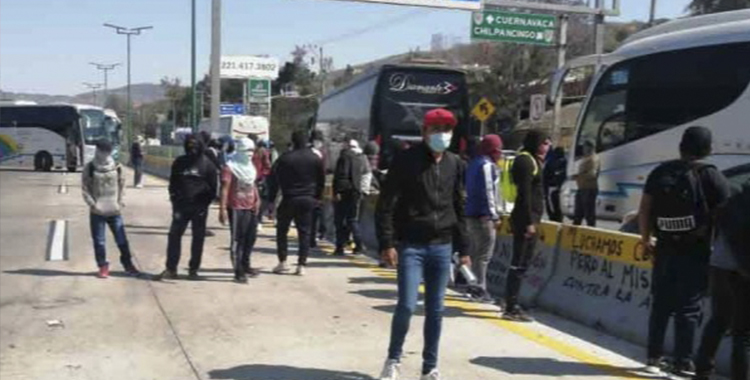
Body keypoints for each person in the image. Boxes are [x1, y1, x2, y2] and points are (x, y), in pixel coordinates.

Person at [376, 108, 470, 380]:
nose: (443, 134)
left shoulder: (455, 163)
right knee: (406, 305)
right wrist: (387, 242)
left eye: (447, 129)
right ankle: (393, 359)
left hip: (442, 246)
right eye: (437, 129)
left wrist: (464, 249)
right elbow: (386, 204)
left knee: (436, 309)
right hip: (411, 246)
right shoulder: (406, 161)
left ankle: (430, 367)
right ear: (424, 132)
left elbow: (459, 206)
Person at [638, 126, 731, 377]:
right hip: (695, 250)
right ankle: (682, 360)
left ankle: (653, 357)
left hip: (664, 247)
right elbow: (729, 213)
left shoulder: (660, 171)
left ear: (681, 146)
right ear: (708, 149)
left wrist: (645, 239)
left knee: (660, 304)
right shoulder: (711, 176)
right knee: (688, 308)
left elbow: (644, 208)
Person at [694, 178, 750, 380]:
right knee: (741, 333)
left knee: (718, 319)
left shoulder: (733, 197)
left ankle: (702, 369)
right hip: (743, 272)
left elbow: (713, 220)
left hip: (720, 265)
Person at [155, 134, 218, 281]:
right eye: (190, 145)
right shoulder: (179, 162)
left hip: (199, 208)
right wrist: (174, 200)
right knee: (174, 236)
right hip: (180, 208)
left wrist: (204, 204)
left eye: (195, 145)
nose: (192, 148)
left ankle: (193, 269)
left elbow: (213, 189)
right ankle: (171, 269)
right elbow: (173, 183)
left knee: (198, 238)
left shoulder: (208, 165)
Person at [504, 130, 551, 322]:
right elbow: (524, 194)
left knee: (523, 263)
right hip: (525, 220)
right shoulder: (525, 161)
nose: (547, 147)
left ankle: (512, 301)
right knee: (519, 263)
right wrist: (529, 222)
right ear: (536, 143)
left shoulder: (532, 160)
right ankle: (511, 306)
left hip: (530, 219)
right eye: (545, 143)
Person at [267, 130, 325, 276]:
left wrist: (271, 200)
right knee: (304, 232)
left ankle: (283, 262)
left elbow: (273, 180)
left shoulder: (284, 158)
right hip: (308, 199)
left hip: (289, 198)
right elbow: (321, 181)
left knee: (282, 231)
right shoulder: (315, 159)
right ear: (307, 142)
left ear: (292, 142)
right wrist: (317, 197)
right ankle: (301, 265)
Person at [82, 140, 140, 278]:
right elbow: (85, 188)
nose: (103, 154)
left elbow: (122, 185)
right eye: (101, 150)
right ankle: (103, 266)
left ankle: (128, 264)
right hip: (97, 211)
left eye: (106, 151)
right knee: (99, 241)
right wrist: (93, 204)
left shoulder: (117, 167)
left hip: (114, 210)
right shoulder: (90, 167)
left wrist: (120, 202)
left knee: (122, 240)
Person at [465, 134, 503, 303]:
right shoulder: (486, 165)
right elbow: (488, 192)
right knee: (484, 254)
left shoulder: (473, 163)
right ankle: (479, 289)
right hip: (483, 215)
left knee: (474, 251)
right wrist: (494, 215)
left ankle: (471, 285)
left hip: (471, 213)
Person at [219, 138, 261, 284]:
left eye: (251, 150)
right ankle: (238, 272)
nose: (249, 154)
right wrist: (222, 209)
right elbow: (224, 188)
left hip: (250, 206)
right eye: (246, 151)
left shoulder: (250, 167)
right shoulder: (230, 167)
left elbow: (253, 185)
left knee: (251, 237)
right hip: (236, 207)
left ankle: (246, 264)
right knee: (238, 240)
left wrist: (257, 199)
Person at [333, 139, 369, 256]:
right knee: (352, 219)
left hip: (344, 191)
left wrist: (337, 191)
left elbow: (340, 175)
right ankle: (358, 245)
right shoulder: (361, 158)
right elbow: (365, 175)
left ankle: (340, 247)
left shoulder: (344, 157)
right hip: (356, 192)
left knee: (339, 220)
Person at [573, 140, 600, 226]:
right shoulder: (586, 158)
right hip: (582, 188)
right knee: (578, 213)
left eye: (585, 147)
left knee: (589, 213)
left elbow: (592, 174)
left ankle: (591, 231)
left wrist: (579, 176)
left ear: (590, 148)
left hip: (589, 189)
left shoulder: (593, 159)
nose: (583, 149)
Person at [310, 130, 327, 248]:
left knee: (312, 216)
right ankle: (313, 237)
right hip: (315, 189)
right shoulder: (322, 154)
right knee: (315, 216)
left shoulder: (321, 153)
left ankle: (312, 237)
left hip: (310, 189)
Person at [543, 147, 567, 222]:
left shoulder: (550, 162)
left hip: (552, 187)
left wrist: (545, 191)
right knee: (559, 207)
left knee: (553, 208)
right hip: (561, 188)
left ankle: (554, 219)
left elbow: (545, 177)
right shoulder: (566, 162)